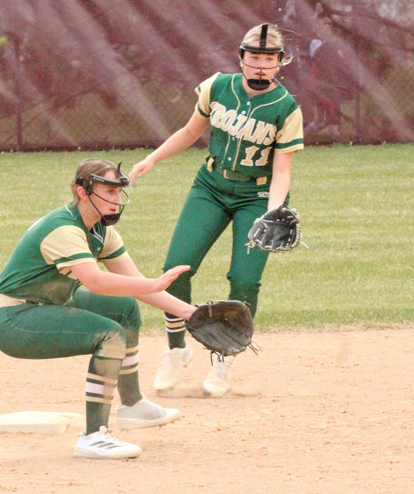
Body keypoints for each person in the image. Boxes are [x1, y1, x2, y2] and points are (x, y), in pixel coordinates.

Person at [129, 23, 303, 397]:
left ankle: (225, 356)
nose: (260, 66)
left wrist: (272, 213)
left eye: (268, 59)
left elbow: (282, 170)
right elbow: (191, 131)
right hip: (210, 186)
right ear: (241, 58)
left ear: (279, 64)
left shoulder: (286, 108)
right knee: (176, 267)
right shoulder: (217, 87)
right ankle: (177, 349)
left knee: (243, 280)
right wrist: (153, 159)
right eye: (253, 57)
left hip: (256, 196)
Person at [0, 159, 200, 459]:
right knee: (109, 334)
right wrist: (152, 284)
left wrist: (193, 315)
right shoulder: (63, 228)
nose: (116, 201)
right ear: (83, 192)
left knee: (124, 309)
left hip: (47, 304)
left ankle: (133, 406)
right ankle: (94, 436)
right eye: (108, 192)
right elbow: (96, 282)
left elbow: (135, 284)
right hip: (13, 320)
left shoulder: (100, 231)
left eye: (118, 193)